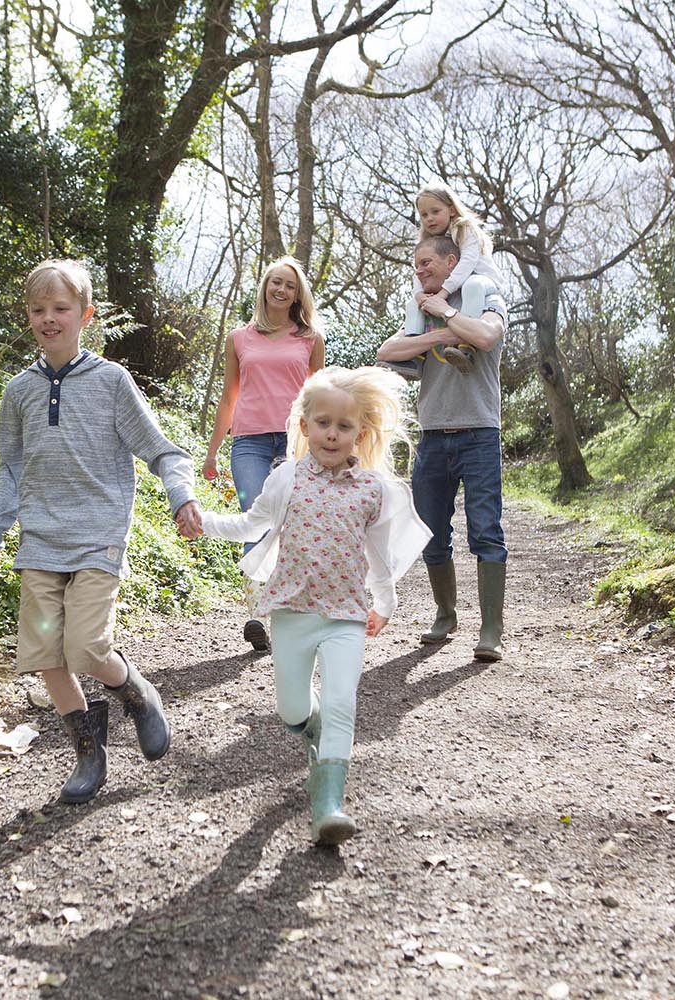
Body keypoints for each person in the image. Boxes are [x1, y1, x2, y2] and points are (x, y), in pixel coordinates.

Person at [0, 259, 203, 804]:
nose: (49, 319)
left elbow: (162, 450)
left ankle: (136, 693)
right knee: (47, 655)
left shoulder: (110, 382)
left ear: (85, 315)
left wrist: (182, 495)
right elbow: (10, 467)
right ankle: (88, 752)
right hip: (40, 542)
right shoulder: (19, 391)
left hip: (97, 536)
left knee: (86, 646)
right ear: (27, 316)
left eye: (61, 309)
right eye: (38, 310)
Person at [186, 367, 429, 845]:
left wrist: (387, 602)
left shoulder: (373, 490)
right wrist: (204, 522)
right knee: (292, 710)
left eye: (343, 426)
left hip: (346, 615)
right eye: (323, 423)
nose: (332, 434)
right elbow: (251, 523)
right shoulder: (286, 479)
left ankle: (328, 804)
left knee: (342, 702)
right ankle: (312, 732)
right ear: (303, 426)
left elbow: (378, 556)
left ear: (360, 433)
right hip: (292, 611)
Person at [375, 234, 510, 662]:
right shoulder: (420, 315)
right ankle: (445, 614)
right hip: (433, 436)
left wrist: (448, 312)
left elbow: (487, 336)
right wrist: (437, 335)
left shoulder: (484, 295)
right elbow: (387, 351)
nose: (420, 270)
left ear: (453, 261)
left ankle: (491, 627)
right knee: (431, 531)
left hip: (479, 432)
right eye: (416, 264)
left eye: (427, 261)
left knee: (485, 530)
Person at [202, 256, 326, 653]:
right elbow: (229, 396)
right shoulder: (239, 338)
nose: (281, 289)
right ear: (265, 287)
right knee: (255, 520)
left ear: (297, 294)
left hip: (294, 443)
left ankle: (291, 610)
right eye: (275, 282)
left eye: (289, 285)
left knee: (291, 527)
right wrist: (212, 452)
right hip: (250, 443)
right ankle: (256, 614)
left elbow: (319, 400)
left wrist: (326, 448)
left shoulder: (310, 339)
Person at [379, 184, 504, 381]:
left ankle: (466, 347)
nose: (429, 218)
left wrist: (443, 296)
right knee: (413, 305)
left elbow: (466, 264)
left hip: (479, 281)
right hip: (451, 289)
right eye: (424, 215)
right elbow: (418, 270)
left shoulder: (465, 229)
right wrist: (420, 296)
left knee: (472, 286)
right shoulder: (428, 240)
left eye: (435, 211)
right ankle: (414, 356)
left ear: (452, 209)